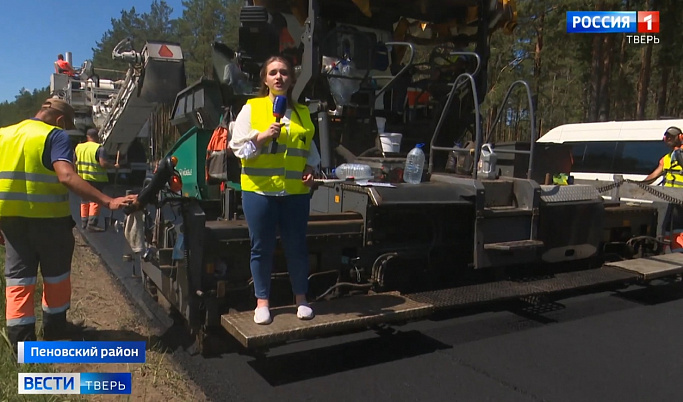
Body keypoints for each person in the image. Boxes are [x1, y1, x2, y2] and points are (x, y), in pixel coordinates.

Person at [0, 98, 136, 349]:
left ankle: (20, 340)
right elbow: (65, 175)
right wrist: (109, 201)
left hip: (11, 222)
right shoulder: (55, 136)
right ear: (61, 120)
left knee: (19, 278)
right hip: (49, 221)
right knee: (56, 275)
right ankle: (54, 330)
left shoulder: (4, 134)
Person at [229, 56, 320, 325]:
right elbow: (237, 148)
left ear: (291, 79)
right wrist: (261, 137)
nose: (278, 77)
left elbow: (310, 151)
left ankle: (301, 300)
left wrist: (312, 170)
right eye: (273, 73)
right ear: (264, 79)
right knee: (262, 248)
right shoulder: (251, 109)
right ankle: (262, 303)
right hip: (259, 192)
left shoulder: (303, 112)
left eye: (283, 73)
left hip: (295, 193)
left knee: (297, 247)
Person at [643, 126, 683, 251]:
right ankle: (669, 253)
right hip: (669, 201)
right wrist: (638, 185)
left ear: (680, 137)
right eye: (667, 136)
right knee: (668, 229)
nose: (669, 138)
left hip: (680, 201)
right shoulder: (666, 158)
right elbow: (654, 175)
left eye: (672, 136)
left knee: (678, 229)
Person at [75, 128, 119, 231]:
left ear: (87, 137)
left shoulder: (79, 147)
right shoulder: (100, 148)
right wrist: (114, 166)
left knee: (84, 200)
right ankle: (92, 223)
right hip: (96, 179)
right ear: (97, 137)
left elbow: (74, 161)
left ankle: (84, 223)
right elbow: (103, 163)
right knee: (95, 200)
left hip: (82, 178)